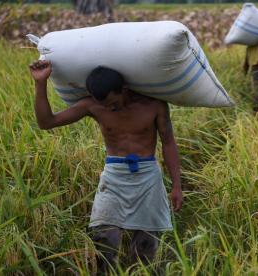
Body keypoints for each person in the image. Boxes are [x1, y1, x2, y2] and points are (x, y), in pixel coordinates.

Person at [29, 60, 183, 273]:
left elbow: (168, 142)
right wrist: (40, 83)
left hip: (148, 177)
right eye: (105, 105)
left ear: (124, 89)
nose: (110, 108)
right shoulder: (92, 106)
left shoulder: (153, 106)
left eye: (114, 103)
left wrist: (177, 185)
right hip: (114, 177)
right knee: (104, 239)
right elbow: (47, 122)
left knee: (146, 246)